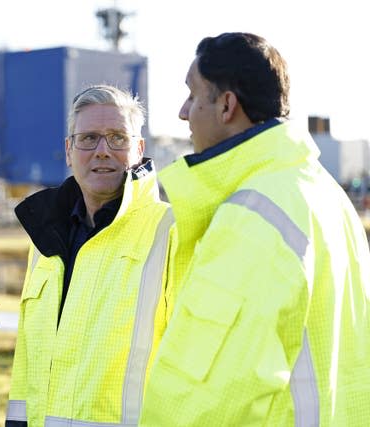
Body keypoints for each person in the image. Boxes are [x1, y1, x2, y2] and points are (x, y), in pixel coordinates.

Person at [139, 32, 370, 426]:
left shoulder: (252, 216)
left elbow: (209, 395)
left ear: (227, 105)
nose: (182, 112)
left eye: (193, 96)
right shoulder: (323, 192)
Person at [5, 85, 174, 426]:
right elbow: (27, 364)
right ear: (69, 151)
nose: (102, 151)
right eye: (89, 138)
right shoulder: (45, 239)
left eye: (117, 138)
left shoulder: (171, 232)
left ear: (139, 149)